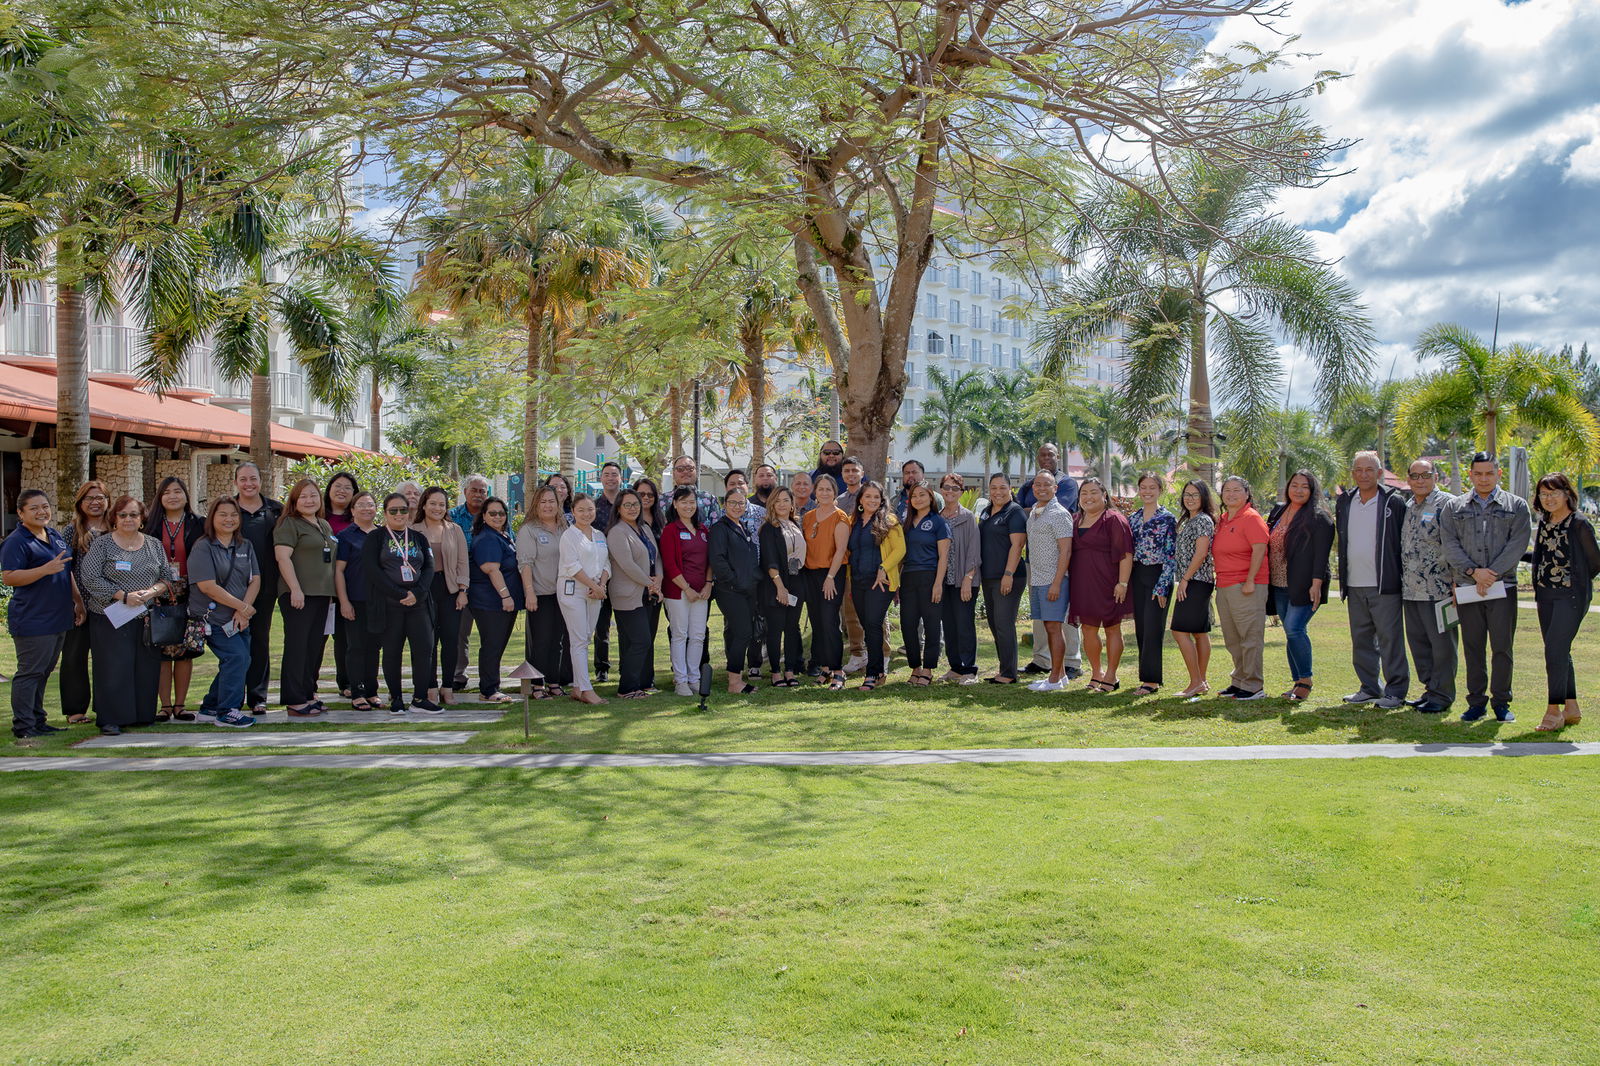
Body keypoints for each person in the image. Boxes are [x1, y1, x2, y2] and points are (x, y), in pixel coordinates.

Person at [1439, 452, 1531, 723]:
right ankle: (1476, 703)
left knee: (1502, 647)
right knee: (1473, 647)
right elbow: (1449, 543)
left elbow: (1518, 544)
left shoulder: (1516, 506)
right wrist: (1473, 572)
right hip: (1468, 588)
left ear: (1498, 474)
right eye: (1478, 474)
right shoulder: (1454, 508)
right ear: (1470, 475)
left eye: (1489, 473)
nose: (1483, 478)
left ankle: (1501, 702)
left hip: (1503, 587)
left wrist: (1490, 575)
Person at [79, 495, 175, 735]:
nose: (128, 519)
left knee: (145, 667)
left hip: (144, 615)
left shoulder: (153, 544)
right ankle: (111, 718)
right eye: (123, 515)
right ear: (114, 518)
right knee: (113, 667)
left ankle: (142, 715)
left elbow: (167, 577)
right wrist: (123, 596)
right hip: (110, 615)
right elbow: (90, 578)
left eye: (133, 514)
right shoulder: (102, 544)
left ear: (142, 518)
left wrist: (151, 592)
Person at [3, 489, 81, 737]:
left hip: (58, 616)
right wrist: (44, 569)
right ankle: (24, 726)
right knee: (30, 672)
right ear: (20, 512)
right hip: (33, 619)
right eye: (34, 508)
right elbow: (10, 577)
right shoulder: (17, 541)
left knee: (44, 671)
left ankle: (38, 720)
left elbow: (65, 569)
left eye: (45, 506)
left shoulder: (53, 534)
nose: (41, 512)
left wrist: (77, 601)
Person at [1334, 451, 1410, 708]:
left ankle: (1396, 692)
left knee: (1390, 640)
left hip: (1384, 584)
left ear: (1379, 473)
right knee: (1362, 640)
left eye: (1369, 469)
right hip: (1354, 584)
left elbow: (1402, 543)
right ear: (1353, 473)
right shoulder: (1345, 501)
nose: (1364, 474)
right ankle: (1369, 688)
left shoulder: (1394, 502)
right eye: (1359, 469)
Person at [1531, 473, 1600, 731]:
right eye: (1543, 494)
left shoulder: (1579, 523)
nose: (1548, 498)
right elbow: (1544, 555)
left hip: (1571, 597)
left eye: (1554, 493)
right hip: (1545, 596)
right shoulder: (1545, 521)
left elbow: (1595, 562)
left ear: (1567, 493)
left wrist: (1576, 581)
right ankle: (1571, 708)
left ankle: (1553, 711)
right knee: (1558, 650)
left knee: (1554, 651)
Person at [187, 496, 261, 727]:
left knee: (241, 659)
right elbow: (207, 587)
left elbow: (255, 579)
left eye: (233, 515)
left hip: (238, 619)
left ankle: (210, 707)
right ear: (212, 518)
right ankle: (227, 711)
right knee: (236, 657)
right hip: (213, 618)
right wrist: (242, 607)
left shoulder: (245, 546)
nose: (229, 519)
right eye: (223, 514)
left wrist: (243, 611)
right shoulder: (203, 546)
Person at [364, 491, 438, 714]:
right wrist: (398, 594)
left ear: (409, 512)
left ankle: (420, 698)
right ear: (385, 513)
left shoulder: (419, 538)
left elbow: (429, 567)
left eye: (403, 510)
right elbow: (372, 571)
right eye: (393, 510)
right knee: (392, 651)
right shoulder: (375, 538)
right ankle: (396, 698)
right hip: (389, 605)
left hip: (418, 604)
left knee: (424, 649)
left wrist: (418, 592)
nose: (399, 514)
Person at [1266, 470, 1335, 702]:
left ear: (1312, 490)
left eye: (1304, 486)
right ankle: (1297, 682)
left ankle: (1305, 680)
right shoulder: (1278, 511)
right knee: (1290, 632)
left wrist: (1317, 583)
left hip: (1305, 586)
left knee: (1295, 629)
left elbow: (1321, 555)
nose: (1298, 490)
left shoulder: (1319, 517)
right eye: (1294, 485)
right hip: (1278, 585)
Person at [1399, 461, 1458, 715]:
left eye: (1425, 475)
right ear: (1409, 479)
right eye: (1415, 476)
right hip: (1411, 590)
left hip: (1441, 589)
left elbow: (1456, 545)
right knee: (1420, 644)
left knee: (1443, 646)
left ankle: (1443, 694)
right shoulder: (1409, 505)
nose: (1420, 480)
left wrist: (1457, 582)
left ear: (1435, 477)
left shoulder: (1448, 504)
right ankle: (1429, 690)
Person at [273, 478, 336, 717]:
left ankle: (309, 693)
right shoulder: (289, 523)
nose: (309, 501)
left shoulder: (323, 524)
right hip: (299, 594)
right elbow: (283, 558)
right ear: (295, 501)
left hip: (322, 595)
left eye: (313, 496)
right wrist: (295, 589)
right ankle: (295, 699)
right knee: (297, 647)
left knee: (314, 647)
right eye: (303, 497)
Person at [1019, 443, 1082, 680]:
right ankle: (1044, 661)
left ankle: (1069, 664)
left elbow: (1065, 548)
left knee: (1061, 620)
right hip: (1035, 569)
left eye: (1051, 454)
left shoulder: (1064, 490)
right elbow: (1019, 511)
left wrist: (1057, 581)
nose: (1046, 458)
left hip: (1056, 572)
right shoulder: (1031, 494)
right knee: (1043, 620)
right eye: (1042, 454)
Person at [147, 476, 205, 721]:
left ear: (186, 495)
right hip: (158, 591)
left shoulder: (199, 523)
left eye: (178, 491)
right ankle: (165, 706)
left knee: (185, 650)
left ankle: (181, 705)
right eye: (167, 492)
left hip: (190, 592)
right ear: (160, 497)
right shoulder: (149, 525)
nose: (173, 496)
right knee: (161, 650)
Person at [1069, 478, 1133, 693]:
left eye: (1094, 492)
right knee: (1088, 629)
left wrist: (1122, 583)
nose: (1089, 497)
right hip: (1083, 585)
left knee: (1112, 628)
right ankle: (1096, 672)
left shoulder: (1114, 519)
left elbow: (1126, 554)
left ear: (1104, 495)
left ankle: (1112, 676)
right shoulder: (1075, 520)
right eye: (1084, 493)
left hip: (1109, 583)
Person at [1213, 475, 1270, 700]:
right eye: (1227, 490)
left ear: (1246, 494)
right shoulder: (1224, 519)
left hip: (1246, 585)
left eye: (1237, 490)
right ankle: (1239, 680)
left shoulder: (1251, 518)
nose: (1231, 494)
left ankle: (1254, 684)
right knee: (1232, 637)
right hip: (1225, 585)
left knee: (1250, 636)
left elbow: (1259, 550)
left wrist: (1250, 580)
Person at [233, 462, 283, 713]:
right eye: (243, 479)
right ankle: (232, 695)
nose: (248, 484)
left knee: (259, 640)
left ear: (261, 481)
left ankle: (257, 697)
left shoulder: (275, 510)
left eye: (253, 478)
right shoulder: (227, 509)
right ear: (236, 483)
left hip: (266, 587)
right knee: (233, 640)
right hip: (231, 588)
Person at [517, 484, 575, 699]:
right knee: (540, 641)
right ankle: (537, 685)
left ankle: (553, 681)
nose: (548, 505)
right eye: (543, 502)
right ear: (536, 504)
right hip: (540, 594)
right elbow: (525, 563)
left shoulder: (565, 527)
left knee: (558, 640)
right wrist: (529, 592)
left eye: (552, 501)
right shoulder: (529, 530)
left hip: (563, 594)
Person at [58, 480, 108, 725]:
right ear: (80, 503)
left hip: (111, 606)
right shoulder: (72, 530)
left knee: (107, 659)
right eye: (89, 498)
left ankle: (107, 707)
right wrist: (78, 601)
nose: (95, 502)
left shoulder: (115, 528)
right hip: (79, 606)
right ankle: (75, 710)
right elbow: (65, 570)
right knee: (74, 658)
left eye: (100, 497)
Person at [846, 481, 905, 690]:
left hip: (881, 581)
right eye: (868, 496)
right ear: (860, 499)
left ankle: (874, 673)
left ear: (882, 500)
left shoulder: (889, 521)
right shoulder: (854, 521)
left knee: (872, 623)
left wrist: (883, 567)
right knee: (867, 625)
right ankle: (878, 670)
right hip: (858, 581)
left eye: (876, 497)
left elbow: (900, 550)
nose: (872, 500)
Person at [415, 486, 470, 705]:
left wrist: (463, 591)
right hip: (423, 592)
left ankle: (447, 687)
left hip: (450, 591)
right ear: (424, 505)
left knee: (450, 640)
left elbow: (463, 562)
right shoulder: (414, 529)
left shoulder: (454, 530)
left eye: (441, 504)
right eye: (433, 503)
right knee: (428, 642)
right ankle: (430, 687)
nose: (437, 508)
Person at [605, 488, 661, 699]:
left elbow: (657, 556)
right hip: (627, 595)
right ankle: (627, 687)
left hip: (647, 593)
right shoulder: (617, 532)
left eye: (635, 504)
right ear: (618, 508)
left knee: (638, 641)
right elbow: (627, 565)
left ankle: (640, 683)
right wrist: (650, 583)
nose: (632, 508)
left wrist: (659, 580)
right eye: (627, 505)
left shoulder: (644, 528)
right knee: (640, 641)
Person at [1025, 469, 1075, 692]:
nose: (1041, 488)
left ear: (1055, 488)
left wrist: (1056, 583)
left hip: (1053, 580)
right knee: (1048, 626)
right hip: (1037, 578)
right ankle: (1061, 675)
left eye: (1047, 484)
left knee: (1054, 627)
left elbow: (1066, 551)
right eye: (1038, 484)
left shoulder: (1059, 513)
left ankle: (1054, 679)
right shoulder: (1035, 511)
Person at [558, 494, 611, 705]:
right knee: (579, 639)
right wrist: (593, 586)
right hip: (573, 591)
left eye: (590, 509)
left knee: (585, 638)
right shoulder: (569, 536)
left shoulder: (599, 535)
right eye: (581, 510)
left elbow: (607, 564)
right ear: (573, 511)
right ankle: (587, 690)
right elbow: (572, 566)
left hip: (595, 592)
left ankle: (578, 687)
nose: (586, 513)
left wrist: (601, 586)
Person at [661, 486, 714, 696]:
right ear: (675, 504)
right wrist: (687, 588)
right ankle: (680, 680)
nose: (688, 506)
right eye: (683, 502)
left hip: (702, 592)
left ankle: (694, 678)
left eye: (692, 502)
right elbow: (670, 564)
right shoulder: (671, 530)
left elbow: (710, 560)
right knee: (680, 634)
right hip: (678, 592)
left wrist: (709, 583)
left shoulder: (703, 530)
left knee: (698, 635)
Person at [1127, 473, 1177, 696]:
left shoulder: (1167, 518)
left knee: (1153, 629)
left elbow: (1170, 555)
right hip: (1137, 576)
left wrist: (1163, 587)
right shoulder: (1133, 518)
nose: (1147, 491)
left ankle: (1152, 680)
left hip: (1158, 575)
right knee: (1141, 628)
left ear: (1160, 490)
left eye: (1152, 487)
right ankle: (1145, 676)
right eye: (1143, 487)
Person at [469, 496, 522, 702]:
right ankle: (489, 690)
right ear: (483, 516)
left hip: (502, 602)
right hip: (491, 602)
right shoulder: (487, 538)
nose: (498, 516)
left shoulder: (502, 535)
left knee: (497, 645)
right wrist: (506, 595)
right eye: (492, 513)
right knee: (492, 645)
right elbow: (492, 570)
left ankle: (492, 686)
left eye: (501, 513)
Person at [801, 474, 851, 689]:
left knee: (830, 622)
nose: (824, 493)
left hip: (832, 573)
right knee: (817, 622)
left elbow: (840, 550)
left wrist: (830, 577)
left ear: (834, 492)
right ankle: (825, 668)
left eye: (828, 489)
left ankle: (838, 670)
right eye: (820, 489)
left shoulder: (840, 517)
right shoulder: (809, 516)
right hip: (810, 574)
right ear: (815, 491)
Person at [709, 489, 762, 694]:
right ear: (725, 504)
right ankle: (735, 683)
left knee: (737, 633)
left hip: (748, 590)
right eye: (733, 502)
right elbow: (718, 560)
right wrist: (734, 582)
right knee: (743, 633)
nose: (737, 506)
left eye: (741, 503)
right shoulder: (720, 529)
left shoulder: (743, 527)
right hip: (730, 591)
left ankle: (734, 677)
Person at [898, 482, 949, 686]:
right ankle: (915, 668)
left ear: (931, 498)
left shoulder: (938, 522)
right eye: (914, 496)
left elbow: (944, 557)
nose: (918, 499)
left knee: (931, 624)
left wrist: (938, 584)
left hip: (930, 577)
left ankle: (927, 669)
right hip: (908, 578)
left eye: (922, 495)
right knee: (908, 624)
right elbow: (901, 554)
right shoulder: (907, 522)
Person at [978, 473, 1027, 684]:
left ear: (1010, 489)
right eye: (994, 488)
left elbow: (1017, 546)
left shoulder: (1014, 512)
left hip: (1008, 577)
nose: (998, 492)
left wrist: (1008, 574)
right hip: (988, 577)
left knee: (1004, 624)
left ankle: (1009, 673)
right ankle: (1003, 669)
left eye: (1002, 488)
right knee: (994, 623)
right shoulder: (987, 511)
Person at [1170, 479, 1217, 698]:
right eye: (1186, 494)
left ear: (1204, 498)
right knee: (1199, 632)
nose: (1189, 498)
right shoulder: (1189, 520)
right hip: (1196, 581)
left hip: (1197, 581)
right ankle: (1201, 681)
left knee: (1179, 631)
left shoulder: (1202, 520)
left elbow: (1201, 553)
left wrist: (1186, 579)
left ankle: (1196, 681)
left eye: (1195, 495)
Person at [334, 492, 380, 709]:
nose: (366, 509)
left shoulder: (383, 534)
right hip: (355, 599)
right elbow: (339, 571)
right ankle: (357, 692)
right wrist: (344, 601)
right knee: (356, 647)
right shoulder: (345, 536)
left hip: (379, 601)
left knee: (374, 647)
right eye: (360, 505)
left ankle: (372, 691)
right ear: (352, 510)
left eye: (370, 505)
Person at [759, 487, 807, 686]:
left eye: (785, 500)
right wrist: (780, 587)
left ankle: (789, 670)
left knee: (791, 627)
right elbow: (770, 561)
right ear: (771, 503)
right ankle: (776, 672)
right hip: (776, 584)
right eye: (777, 501)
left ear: (791, 503)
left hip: (797, 583)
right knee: (776, 629)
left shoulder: (795, 524)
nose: (781, 504)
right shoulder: (769, 528)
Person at [936, 474, 981, 684]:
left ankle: (969, 669)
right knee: (949, 625)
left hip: (964, 580)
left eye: (955, 489)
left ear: (961, 492)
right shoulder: (937, 517)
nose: (950, 492)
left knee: (964, 624)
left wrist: (968, 578)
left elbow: (974, 551)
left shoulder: (968, 517)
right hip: (944, 581)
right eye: (947, 488)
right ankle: (955, 667)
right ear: (941, 490)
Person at [448, 474, 491, 689]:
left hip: (488, 584)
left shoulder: (494, 515)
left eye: (482, 491)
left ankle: (489, 677)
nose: (478, 494)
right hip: (459, 584)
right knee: (459, 633)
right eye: (474, 490)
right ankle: (458, 676)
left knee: (490, 634)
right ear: (465, 492)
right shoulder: (452, 516)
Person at [321, 470, 361, 696]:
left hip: (350, 587)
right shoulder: (318, 517)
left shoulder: (357, 520)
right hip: (321, 587)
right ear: (329, 490)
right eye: (337, 485)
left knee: (346, 638)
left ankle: (346, 682)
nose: (342, 490)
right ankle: (308, 686)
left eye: (348, 487)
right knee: (317, 638)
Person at [726, 468, 769, 678]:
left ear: (747, 486)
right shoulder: (722, 516)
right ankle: (733, 664)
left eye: (740, 483)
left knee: (757, 622)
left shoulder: (762, 513)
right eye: (731, 484)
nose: (736, 487)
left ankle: (754, 664)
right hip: (732, 581)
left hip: (758, 577)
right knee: (732, 624)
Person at [591, 461, 625, 682]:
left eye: (615, 474)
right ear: (601, 478)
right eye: (607, 475)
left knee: (625, 622)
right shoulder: (593, 506)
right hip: (600, 569)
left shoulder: (628, 503)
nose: (611, 478)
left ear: (621, 478)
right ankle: (601, 666)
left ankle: (627, 666)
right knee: (601, 623)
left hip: (624, 570)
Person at [633, 477, 666, 669]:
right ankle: (631, 673)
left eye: (650, 494)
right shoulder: (629, 521)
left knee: (651, 630)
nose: (646, 497)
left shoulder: (661, 519)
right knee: (637, 633)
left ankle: (648, 675)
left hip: (659, 581)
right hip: (636, 581)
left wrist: (659, 579)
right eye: (641, 494)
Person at [663, 455, 720, 525]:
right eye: (680, 469)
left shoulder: (710, 500)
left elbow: (717, 530)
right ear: (673, 473)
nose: (686, 472)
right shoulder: (662, 500)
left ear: (697, 472)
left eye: (690, 468)